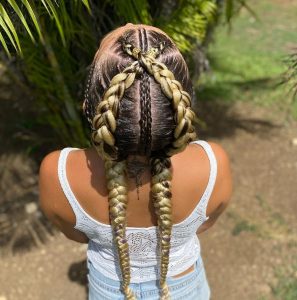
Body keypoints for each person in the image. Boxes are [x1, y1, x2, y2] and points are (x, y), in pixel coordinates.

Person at [39, 23, 232, 300]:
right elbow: (206, 222)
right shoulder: (214, 163)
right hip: (185, 285)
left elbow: (75, 233)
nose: (130, 25)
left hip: (109, 288)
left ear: (90, 106)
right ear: (182, 104)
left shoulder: (57, 172)